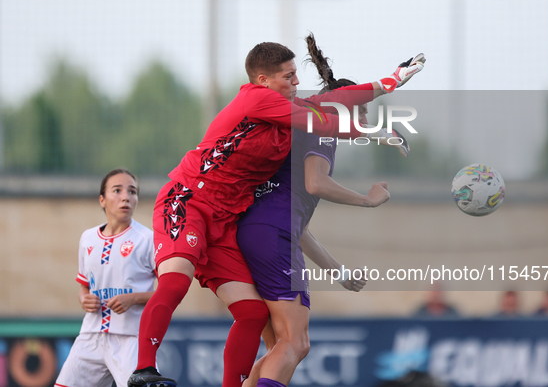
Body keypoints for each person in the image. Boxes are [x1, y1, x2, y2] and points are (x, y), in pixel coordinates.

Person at [128, 40, 425, 387]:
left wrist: (393, 80)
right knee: (178, 279)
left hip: (227, 220)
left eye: (297, 74)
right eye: (289, 76)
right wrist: (376, 133)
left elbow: (339, 100)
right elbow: (322, 126)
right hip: (189, 198)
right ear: (264, 80)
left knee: (253, 314)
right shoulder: (258, 99)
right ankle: (143, 370)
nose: (297, 82)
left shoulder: (288, 106)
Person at [236, 33, 412, 387]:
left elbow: (298, 226)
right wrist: (367, 199)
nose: (361, 125)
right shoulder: (322, 126)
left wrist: (338, 271)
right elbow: (316, 183)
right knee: (295, 343)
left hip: (255, 234)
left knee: (277, 346)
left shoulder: (305, 122)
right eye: (361, 114)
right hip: (273, 236)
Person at [55, 169, 156, 387]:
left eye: (132, 191)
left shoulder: (147, 239)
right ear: (102, 199)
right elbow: (84, 285)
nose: (126, 197)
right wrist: (84, 299)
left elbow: (169, 291)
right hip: (90, 335)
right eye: (117, 190)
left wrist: (133, 298)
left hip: (131, 339)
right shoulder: (87, 238)